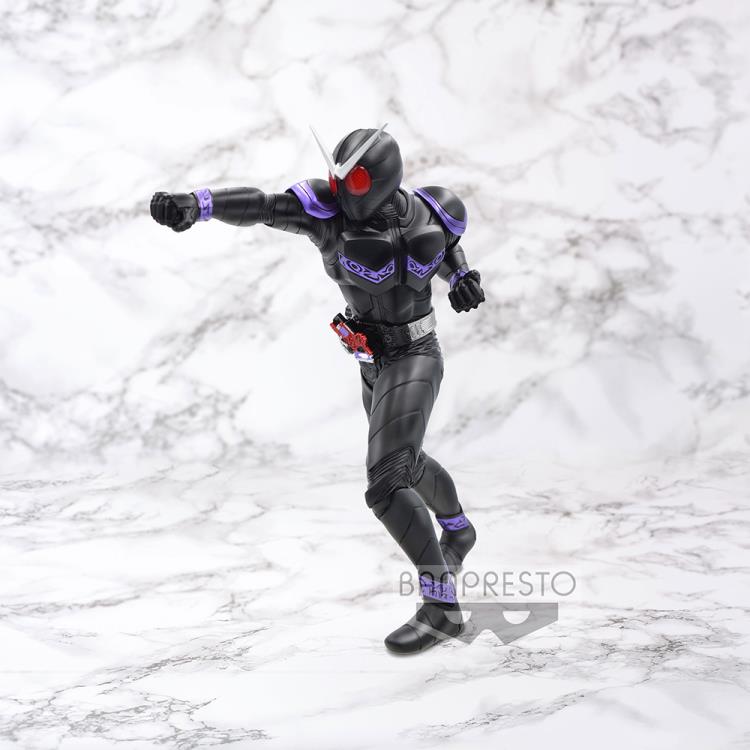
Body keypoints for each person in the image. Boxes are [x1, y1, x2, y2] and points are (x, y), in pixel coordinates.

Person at [150, 125, 485, 653]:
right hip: (372, 361)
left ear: (382, 178)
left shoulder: (435, 208)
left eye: (354, 180)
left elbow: (448, 248)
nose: (342, 187)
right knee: (407, 462)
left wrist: (463, 276)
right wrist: (199, 204)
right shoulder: (327, 215)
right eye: (337, 176)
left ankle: (442, 607)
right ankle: (459, 529)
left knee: (387, 480)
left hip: (418, 353)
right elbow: (264, 205)